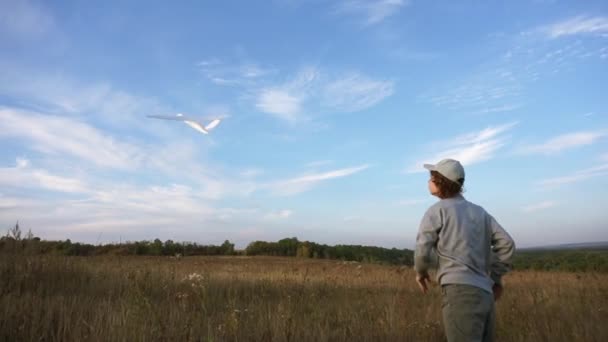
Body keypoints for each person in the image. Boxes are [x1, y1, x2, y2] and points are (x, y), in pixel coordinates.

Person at [414, 158, 515, 342]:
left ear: (440, 181)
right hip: (486, 294)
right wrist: (495, 278)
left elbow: (422, 248)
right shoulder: (480, 212)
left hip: (459, 294)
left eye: (431, 177)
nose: (428, 181)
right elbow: (507, 244)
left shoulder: (436, 211)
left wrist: (420, 272)